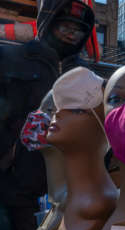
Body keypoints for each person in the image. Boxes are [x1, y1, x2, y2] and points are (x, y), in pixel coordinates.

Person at [0, 0, 95, 165]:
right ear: (48, 23)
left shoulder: (86, 74)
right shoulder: (9, 58)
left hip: (66, 177)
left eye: (79, 31)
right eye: (65, 27)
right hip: (14, 177)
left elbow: (95, 128)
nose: (72, 34)